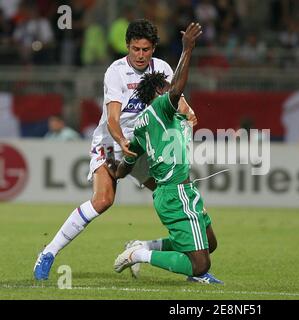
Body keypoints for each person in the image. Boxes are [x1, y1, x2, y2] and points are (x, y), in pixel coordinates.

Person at [33, 19, 197, 280]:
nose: (140, 55)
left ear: (153, 47)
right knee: (103, 201)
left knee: (175, 197)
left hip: (144, 146)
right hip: (112, 145)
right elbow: (112, 118)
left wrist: (188, 112)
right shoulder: (116, 71)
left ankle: (172, 258)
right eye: (135, 49)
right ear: (127, 47)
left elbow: (176, 98)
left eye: (145, 49)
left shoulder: (163, 68)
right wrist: (121, 141)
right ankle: (49, 252)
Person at [112, 22, 223, 284]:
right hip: (175, 193)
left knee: (209, 243)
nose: (176, 94)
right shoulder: (161, 106)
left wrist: (114, 172)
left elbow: (128, 163)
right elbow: (176, 87)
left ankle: (144, 245)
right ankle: (138, 255)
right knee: (200, 264)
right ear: (158, 93)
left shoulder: (142, 126)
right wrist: (188, 50)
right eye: (168, 90)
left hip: (178, 192)